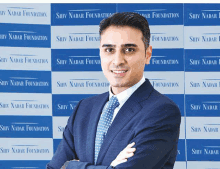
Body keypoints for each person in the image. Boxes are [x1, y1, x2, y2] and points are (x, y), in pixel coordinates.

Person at [47, 12, 181, 169]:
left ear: (147, 54)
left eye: (129, 50)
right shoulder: (84, 108)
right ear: (100, 53)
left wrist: (71, 166)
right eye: (109, 50)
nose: (118, 61)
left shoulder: (162, 111)